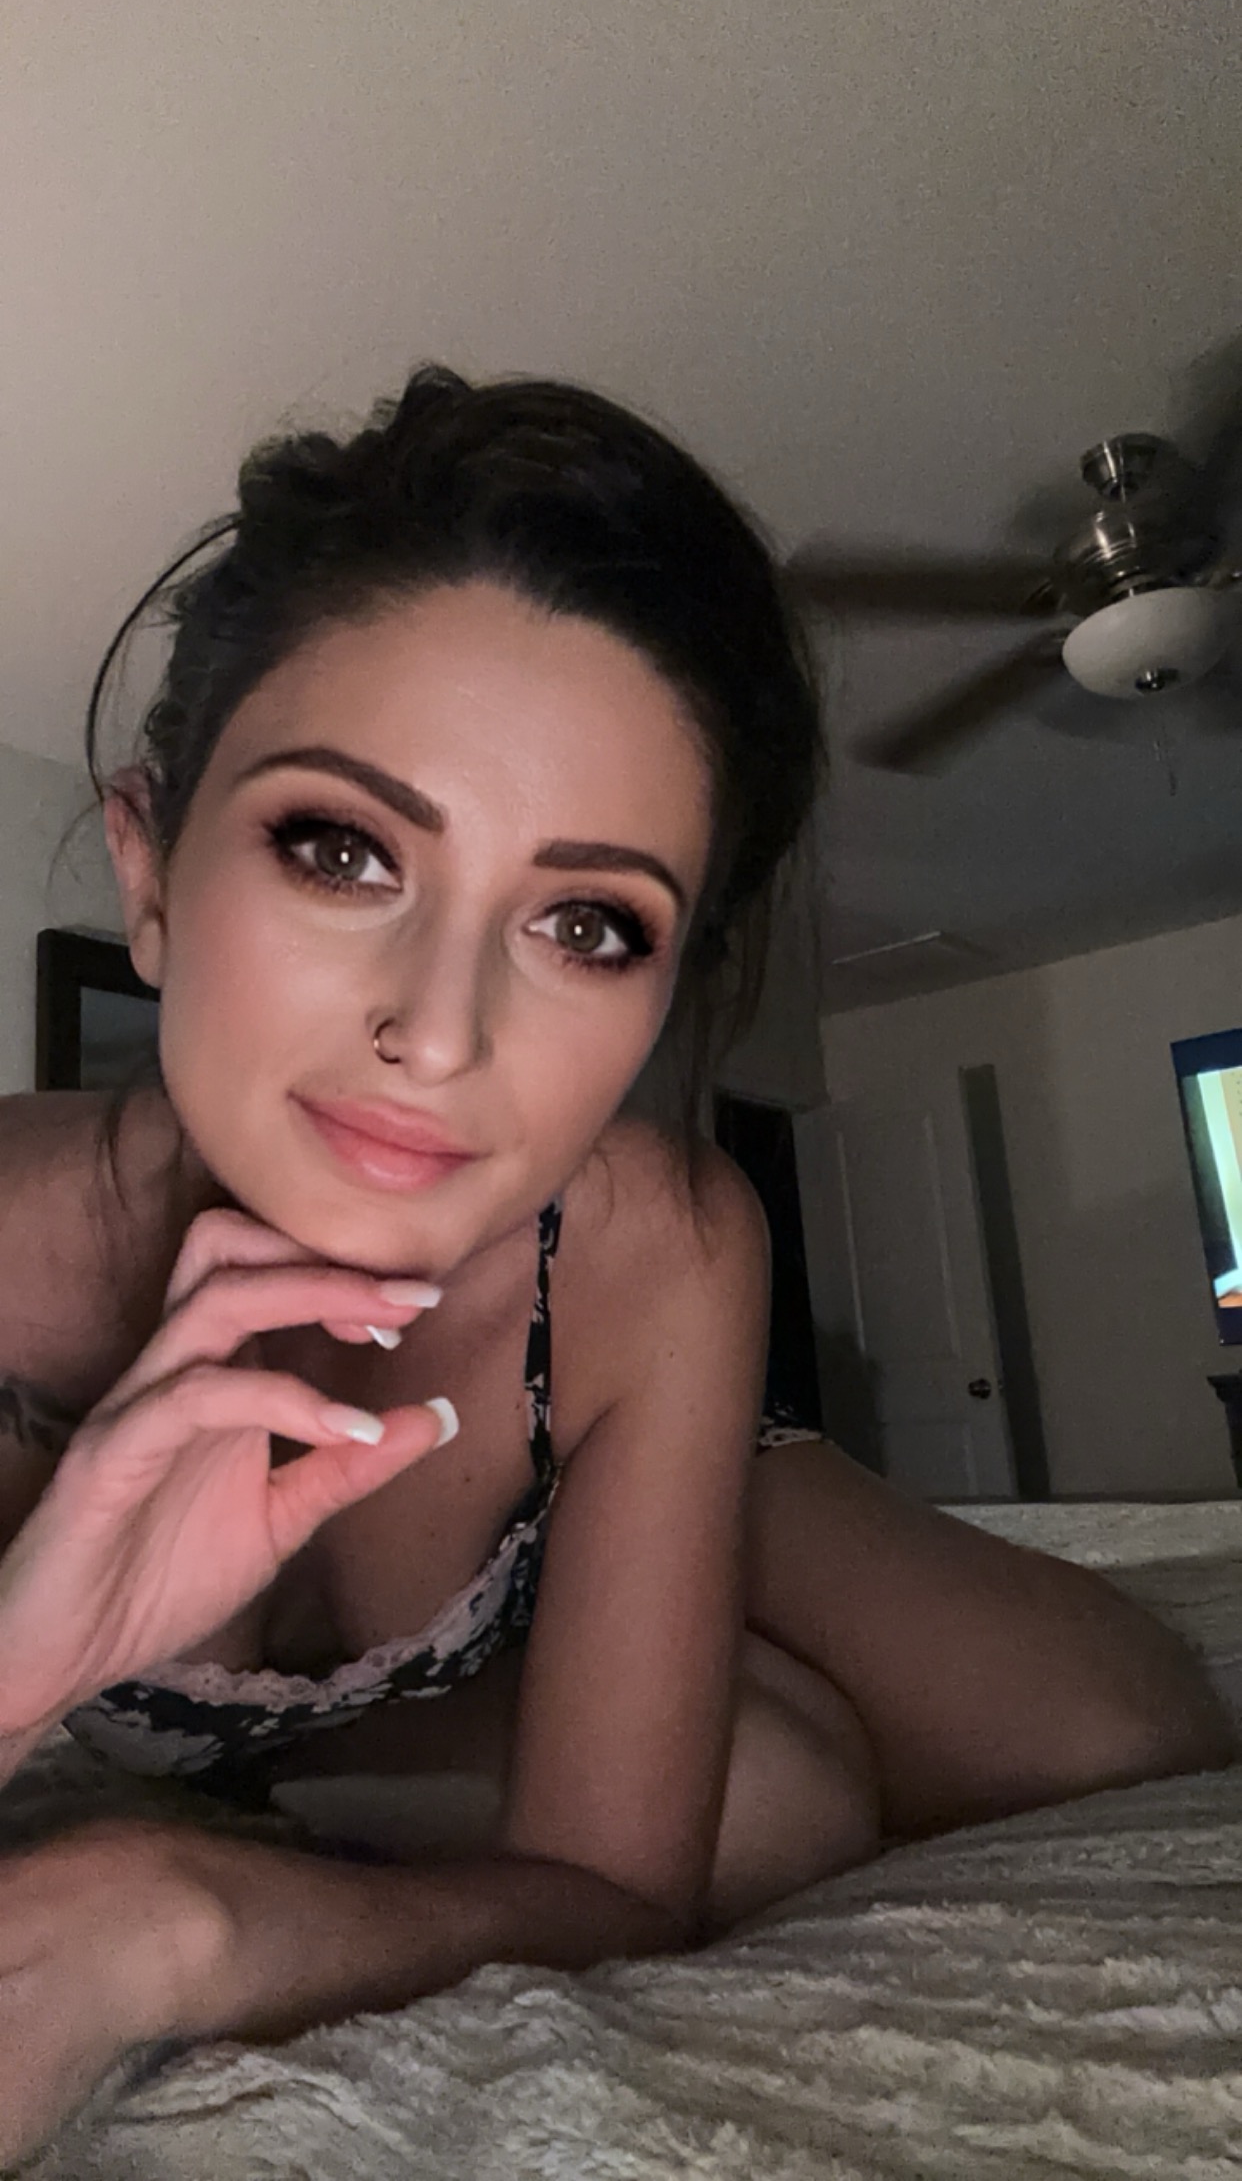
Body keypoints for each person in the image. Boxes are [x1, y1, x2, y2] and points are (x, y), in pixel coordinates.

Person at [0, 367, 1231, 2158]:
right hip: (364, 1698)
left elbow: (606, 1883)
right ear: (152, 873)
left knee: (1113, 1726)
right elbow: (612, 1882)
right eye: (341, 849)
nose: (441, 1032)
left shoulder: (653, 1243)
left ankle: (681, 1499)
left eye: (585, 924)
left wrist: (186, 1918)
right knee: (776, 1797)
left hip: (595, 1390)